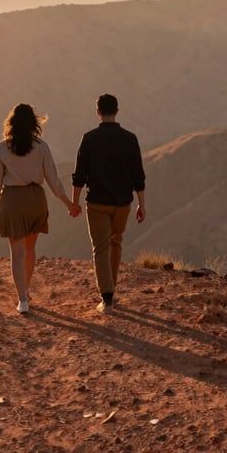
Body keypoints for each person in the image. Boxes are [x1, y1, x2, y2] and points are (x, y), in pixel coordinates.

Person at [0, 103, 79, 315]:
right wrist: (69, 203)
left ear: (11, 123)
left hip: (12, 201)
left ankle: (22, 300)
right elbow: (53, 179)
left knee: (16, 253)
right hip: (36, 200)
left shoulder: (2, 148)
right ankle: (26, 291)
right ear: (33, 124)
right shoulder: (41, 147)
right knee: (29, 249)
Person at [71, 93, 146, 313]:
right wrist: (142, 204)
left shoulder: (89, 138)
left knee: (100, 247)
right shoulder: (130, 139)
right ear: (117, 111)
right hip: (123, 203)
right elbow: (138, 175)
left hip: (96, 203)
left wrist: (74, 202)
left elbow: (79, 175)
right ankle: (111, 290)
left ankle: (107, 297)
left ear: (98, 112)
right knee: (116, 243)